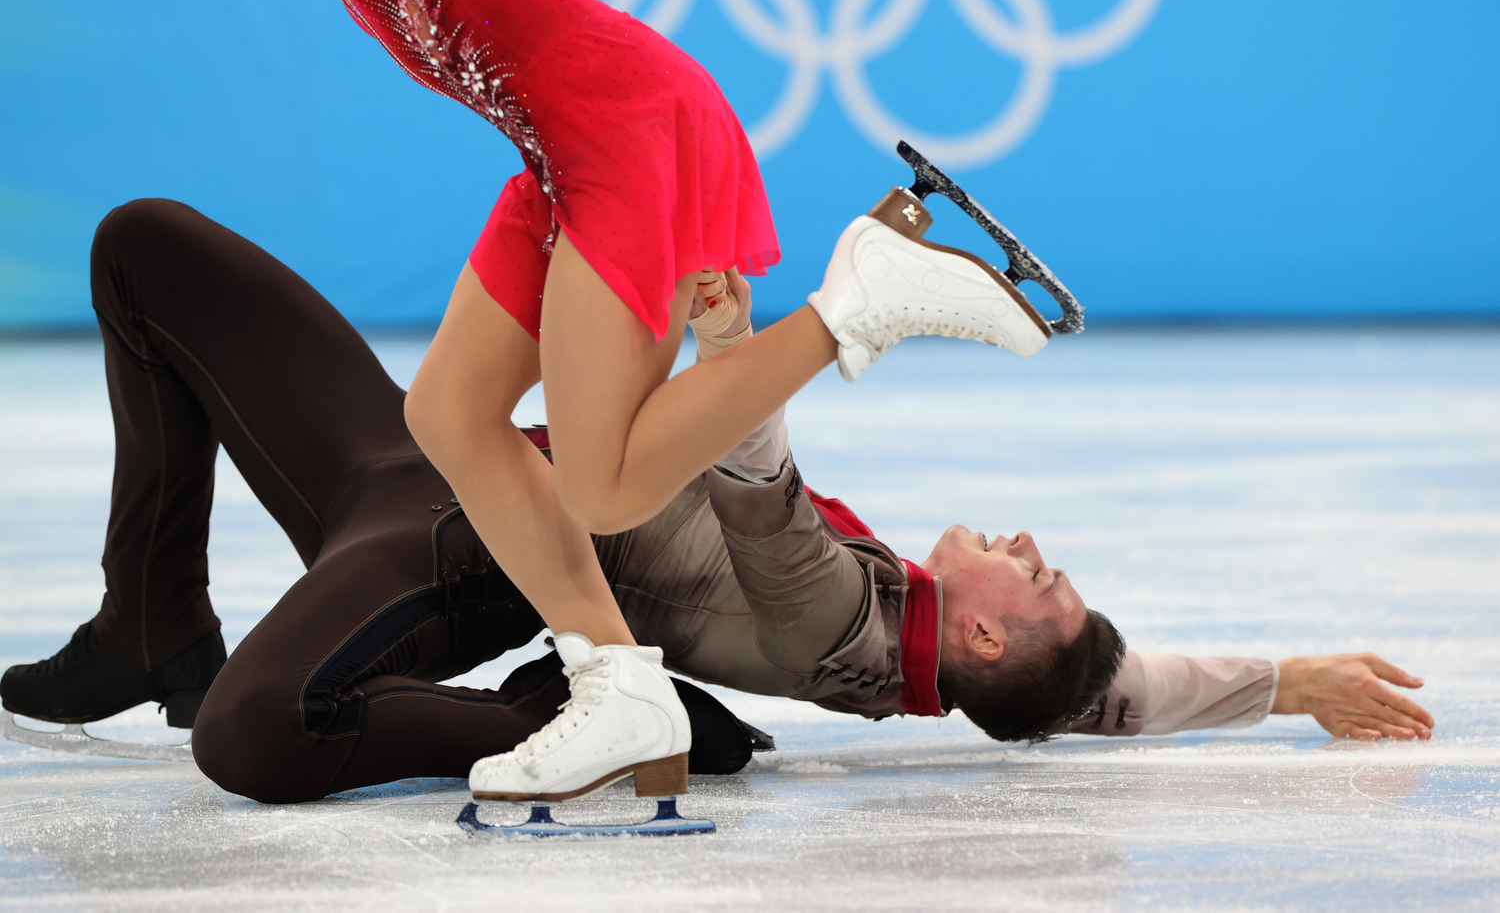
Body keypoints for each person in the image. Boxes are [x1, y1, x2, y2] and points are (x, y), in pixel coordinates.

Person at [1, 202, 1436, 804]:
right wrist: (1283, 676)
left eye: (1037, 579)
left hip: (468, 548)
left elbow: (768, 508)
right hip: (428, 466)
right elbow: (1109, 687)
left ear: (985, 643)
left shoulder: (851, 633)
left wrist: (745, 344)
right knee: (145, 251)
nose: (1031, 550)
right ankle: (149, 621)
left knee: (253, 735)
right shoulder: (966, 644)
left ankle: (582, 724)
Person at [322, 0, 1057, 802]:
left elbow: (1056, 668)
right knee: (447, 411)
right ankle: (620, 684)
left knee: (603, 486)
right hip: (562, 145)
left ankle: (856, 307)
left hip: (625, 127)